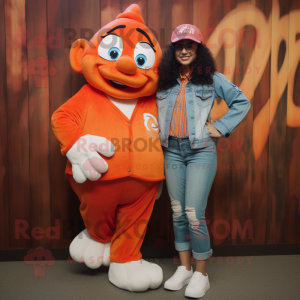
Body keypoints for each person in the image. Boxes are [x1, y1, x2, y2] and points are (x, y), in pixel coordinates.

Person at [156, 24, 251, 298]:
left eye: (190, 46)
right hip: (171, 151)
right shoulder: (162, 80)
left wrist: (220, 127)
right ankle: (184, 269)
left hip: (201, 151)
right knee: (177, 212)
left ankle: (201, 274)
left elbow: (241, 101)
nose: (184, 50)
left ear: (199, 49)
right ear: (172, 50)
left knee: (193, 215)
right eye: (179, 46)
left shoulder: (212, 79)